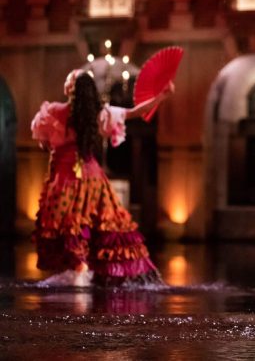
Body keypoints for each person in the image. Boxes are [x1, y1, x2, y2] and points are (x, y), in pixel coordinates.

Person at [31, 70, 173, 287]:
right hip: (93, 178)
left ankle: (79, 270)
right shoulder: (99, 114)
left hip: (64, 178)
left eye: (68, 79)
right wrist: (162, 96)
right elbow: (135, 112)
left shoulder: (53, 112)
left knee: (67, 226)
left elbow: (43, 143)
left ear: (71, 88)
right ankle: (93, 272)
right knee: (101, 224)